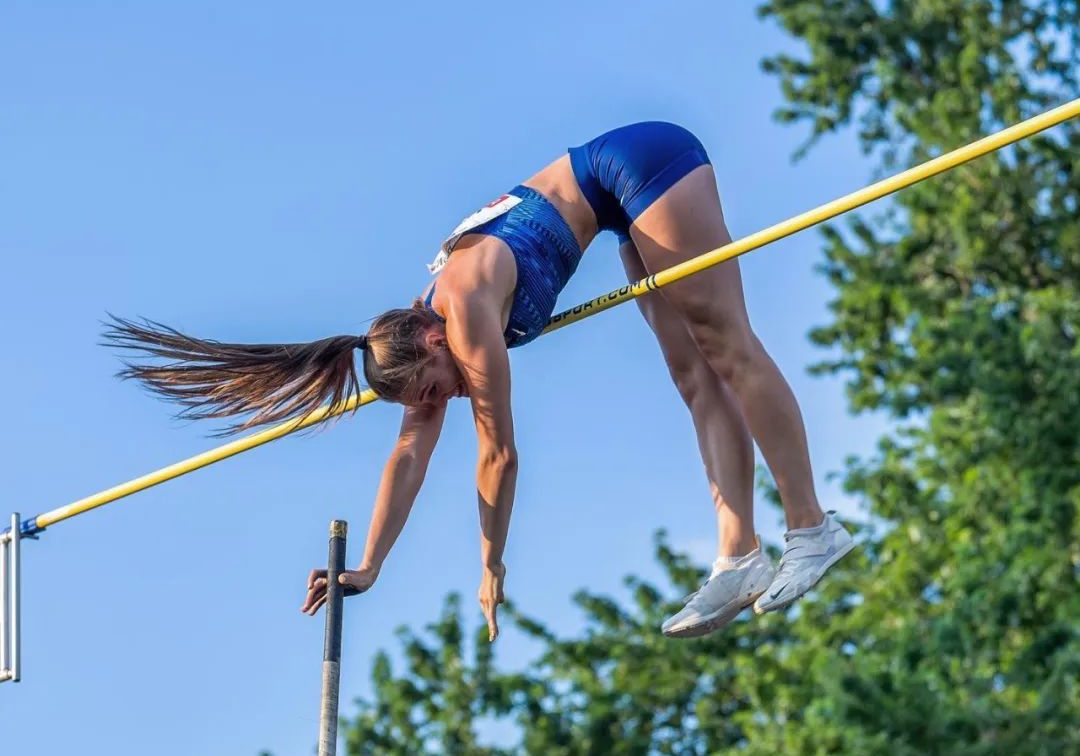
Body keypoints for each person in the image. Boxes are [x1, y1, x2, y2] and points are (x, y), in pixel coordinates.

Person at [105, 122, 856, 641]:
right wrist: (370, 567)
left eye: (437, 389)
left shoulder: (462, 310)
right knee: (692, 376)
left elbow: (498, 455)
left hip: (642, 163)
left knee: (726, 345)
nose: (445, 399)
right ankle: (738, 557)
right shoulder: (419, 346)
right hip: (618, 208)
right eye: (433, 399)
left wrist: (490, 567)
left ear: (434, 341)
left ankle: (811, 528)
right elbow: (408, 456)